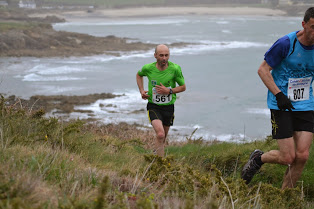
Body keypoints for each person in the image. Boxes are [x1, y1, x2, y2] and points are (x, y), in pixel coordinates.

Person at [241, 7, 314, 189]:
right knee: (287, 157)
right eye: (313, 27)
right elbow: (263, 70)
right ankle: (258, 159)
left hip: (306, 103)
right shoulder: (286, 44)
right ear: (304, 25)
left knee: (302, 156)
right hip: (281, 103)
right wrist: (279, 94)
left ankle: (283, 197)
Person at [136, 44, 186, 157]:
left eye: (166, 55)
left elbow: (183, 87)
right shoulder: (148, 68)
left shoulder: (175, 69)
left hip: (169, 107)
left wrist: (169, 91)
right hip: (154, 106)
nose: (164, 58)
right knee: (160, 134)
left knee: (162, 138)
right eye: (161, 55)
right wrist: (141, 90)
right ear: (155, 55)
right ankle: (160, 165)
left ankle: (156, 155)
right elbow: (139, 75)